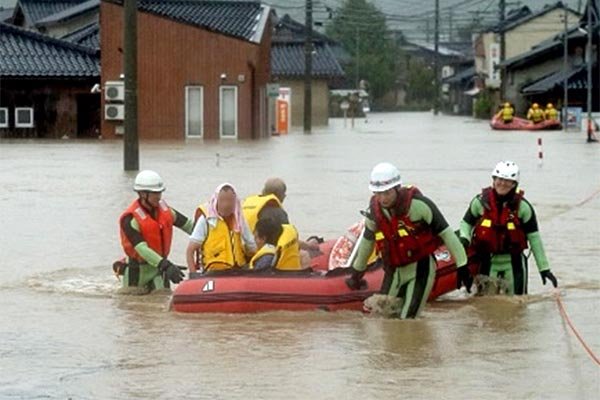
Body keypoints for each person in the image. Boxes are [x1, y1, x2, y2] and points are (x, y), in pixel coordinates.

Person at [345, 162, 471, 319]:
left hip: (421, 268)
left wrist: (462, 265)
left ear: (397, 188)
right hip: (393, 270)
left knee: (407, 320)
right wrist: (357, 272)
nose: (382, 198)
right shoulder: (374, 214)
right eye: (378, 193)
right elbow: (367, 242)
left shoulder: (420, 206)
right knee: (382, 319)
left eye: (386, 193)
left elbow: (447, 235)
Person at [458, 161, 557, 295]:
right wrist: (464, 238)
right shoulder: (479, 202)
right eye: (500, 179)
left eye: (508, 181)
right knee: (484, 308)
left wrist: (544, 269)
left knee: (517, 305)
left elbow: (534, 238)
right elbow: (466, 223)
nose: (502, 184)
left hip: (514, 263)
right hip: (487, 261)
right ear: (494, 179)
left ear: (514, 184)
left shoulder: (524, 207)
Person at [116, 170, 193, 291]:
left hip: (159, 268)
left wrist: (209, 235)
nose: (159, 196)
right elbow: (142, 249)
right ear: (142, 194)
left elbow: (190, 226)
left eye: (160, 192)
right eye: (155, 193)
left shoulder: (166, 211)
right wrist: (166, 265)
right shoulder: (129, 219)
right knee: (132, 305)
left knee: (163, 297)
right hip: (137, 271)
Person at [243, 177, 320, 265]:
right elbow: (289, 240)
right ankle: (303, 277)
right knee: (304, 255)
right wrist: (308, 245)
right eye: (284, 193)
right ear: (280, 195)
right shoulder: (277, 212)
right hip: (265, 255)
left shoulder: (248, 204)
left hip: (247, 253)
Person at [186, 183, 256, 273]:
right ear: (216, 201)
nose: (226, 205)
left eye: (230, 200)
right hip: (213, 272)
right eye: (222, 200)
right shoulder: (206, 220)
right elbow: (190, 250)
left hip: (238, 270)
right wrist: (193, 274)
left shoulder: (239, 218)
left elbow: (251, 245)